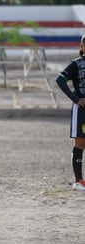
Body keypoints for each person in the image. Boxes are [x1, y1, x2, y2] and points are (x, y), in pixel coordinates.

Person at [56, 34, 85, 191]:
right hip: (81, 109)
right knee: (80, 143)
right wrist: (75, 99)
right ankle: (79, 181)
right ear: (82, 47)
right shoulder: (76, 64)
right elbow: (60, 80)